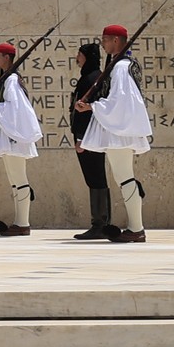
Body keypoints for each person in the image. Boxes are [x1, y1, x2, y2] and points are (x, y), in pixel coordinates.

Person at [74, 25, 151, 243]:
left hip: (120, 129)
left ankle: (136, 228)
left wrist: (92, 107)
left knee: (125, 177)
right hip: (119, 128)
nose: (103, 45)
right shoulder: (121, 64)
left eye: (105, 40)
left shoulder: (120, 67)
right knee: (124, 177)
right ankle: (136, 227)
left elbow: (120, 101)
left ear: (116, 40)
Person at [0, 41, 42, 236]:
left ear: (6, 58)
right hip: (8, 135)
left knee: (20, 178)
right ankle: (19, 222)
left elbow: (15, 108)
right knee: (14, 180)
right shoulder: (6, 78)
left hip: (13, 136)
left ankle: (23, 223)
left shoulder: (11, 80)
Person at [68, 42, 109, 241]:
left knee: (95, 178)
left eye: (80, 54)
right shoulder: (92, 77)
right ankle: (101, 223)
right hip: (90, 137)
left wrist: (81, 139)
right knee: (95, 177)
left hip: (89, 138)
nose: (77, 57)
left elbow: (85, 114)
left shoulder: (91, 79)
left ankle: (100, 224)